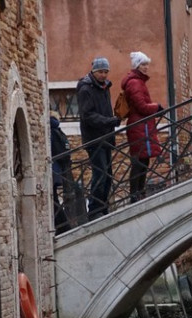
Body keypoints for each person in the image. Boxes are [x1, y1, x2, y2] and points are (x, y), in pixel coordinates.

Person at [76, 56, 121, 220]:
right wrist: (109, 121)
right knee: (100, 173)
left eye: (106, 72)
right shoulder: (86, 89)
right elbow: (87, 116)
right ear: (94, 71)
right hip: (94, 139)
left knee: (107, 174)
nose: (103, 75)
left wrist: (114, 119)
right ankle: (94, 210)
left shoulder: (104, 87)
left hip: (107, 136)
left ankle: (102, 206)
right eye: (101, 72)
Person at [120, 52, 165, 202]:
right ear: (136, 66)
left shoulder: (138, 82)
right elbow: (141, 106)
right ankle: (135, 195)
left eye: (147, 64)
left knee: (143, 160)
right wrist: (157, 107)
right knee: (139, 161)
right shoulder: (135, 83)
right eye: (143, 65)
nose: (146, 67)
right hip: (139, 125)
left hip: (141, 124)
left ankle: (139, 193)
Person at [49, 109, 72, 232]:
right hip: (58, 169)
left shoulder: (49, 129)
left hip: (52, 169)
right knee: (54, 199)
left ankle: (64, 227)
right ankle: (62, 226)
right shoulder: (56, 128)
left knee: (53, 200)